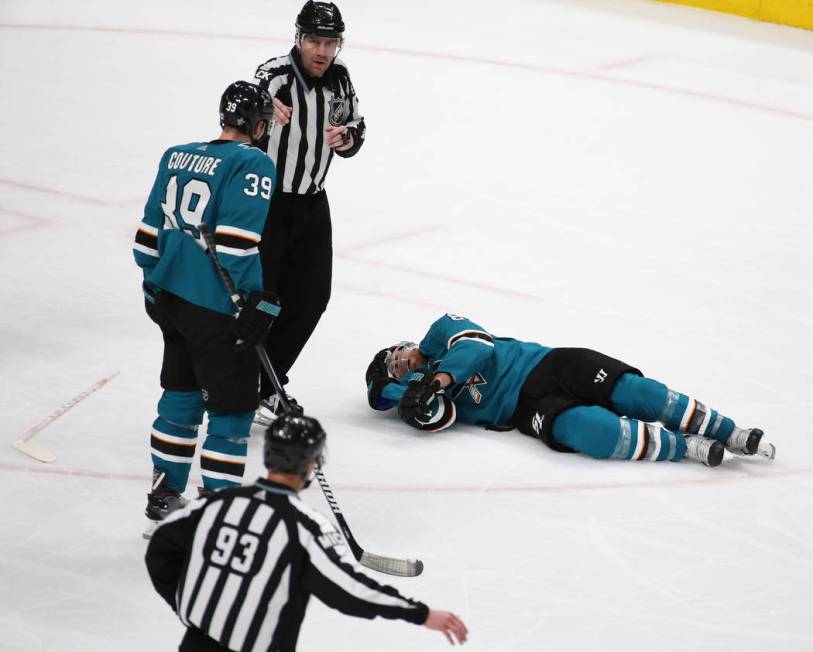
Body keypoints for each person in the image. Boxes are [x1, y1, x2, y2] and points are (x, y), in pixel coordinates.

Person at [145, 414, 469, 651]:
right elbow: (350, 591)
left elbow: (160, 548)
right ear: (311, 464)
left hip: (195, 644)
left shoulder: (215, 504)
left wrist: (186, 602)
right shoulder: (304, 529)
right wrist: (420, 613)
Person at [133, 81, 280, 537]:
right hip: (216, 309)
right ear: (257, 125)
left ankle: (164, 491)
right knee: (232, 412)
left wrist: (155, 283)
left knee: (180, 395)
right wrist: (255, 301)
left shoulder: (176, 154)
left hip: (170, 300)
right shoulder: (252, 162)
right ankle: (220, 512)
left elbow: (145, 239)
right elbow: (236, 246)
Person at [366, 313, 776, 467]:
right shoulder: (418, 398)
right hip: (527, 409)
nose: (399, 362)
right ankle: (684, 447)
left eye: (394, 354)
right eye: (393, 369)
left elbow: (477, 346)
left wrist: (436, 380)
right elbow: (435, 417)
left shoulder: (441, 332)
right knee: (596, 433)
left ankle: (728, 432)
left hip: (550, 363)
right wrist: (406, 397)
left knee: (639, 393)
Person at [251, 1, 366, 424]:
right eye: (315, 40)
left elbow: (357, 125)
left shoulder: (340, 78)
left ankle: (269, 387)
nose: (322, 51)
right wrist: (264, 109)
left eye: (330, 42)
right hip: (268, 203)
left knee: (312, 298)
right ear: (298, 38)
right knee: (263, 302)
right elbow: (245, 110)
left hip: (313, 203)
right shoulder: (275, 73)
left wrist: (349, 138)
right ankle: (239, 386)